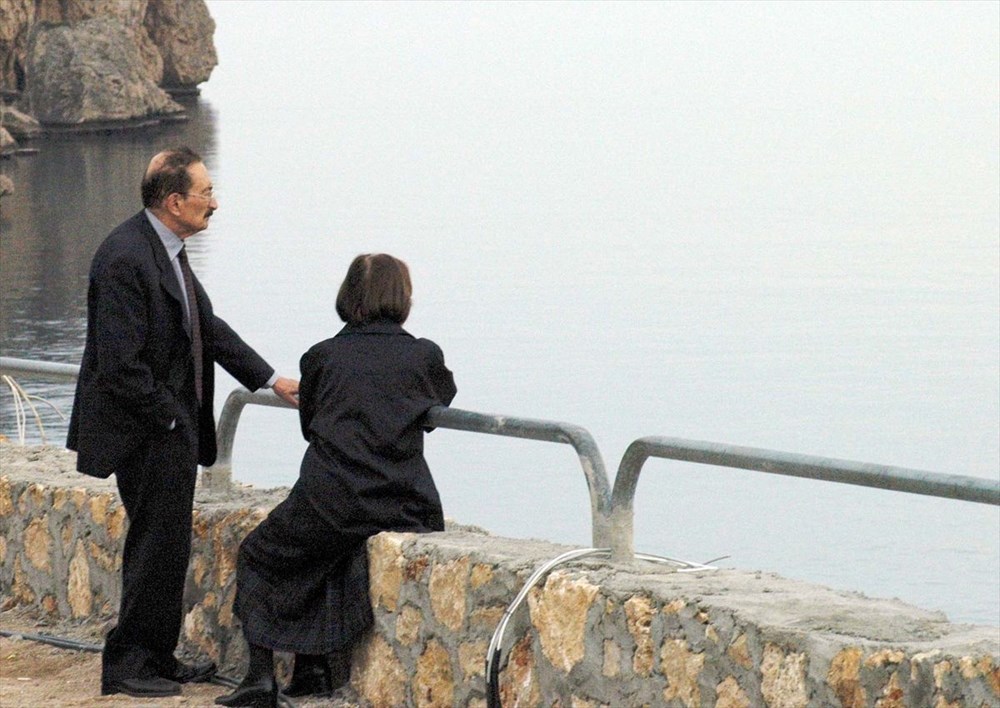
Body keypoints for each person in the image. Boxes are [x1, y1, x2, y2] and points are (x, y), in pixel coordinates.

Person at [66, 146, 300, 699]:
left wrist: (270, 379)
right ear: (175, 202)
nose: (214, 203)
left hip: (165, 432)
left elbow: (206, 328)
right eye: (206, 193)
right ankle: (127, 665)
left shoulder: (165, 249)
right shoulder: (125, 257)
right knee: (153, 548)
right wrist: (172, 420)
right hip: (145, 434)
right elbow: (119, 365)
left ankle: (156, 656)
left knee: (167, 547)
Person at [215, 253, 457, 708]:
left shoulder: (321, 357)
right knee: (333, 556)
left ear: (349, 296)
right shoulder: (424, 355)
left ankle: (261, 677)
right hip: (402, 501)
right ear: (401, 298)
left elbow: (311, 427)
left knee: (260, 554)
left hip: (331, 499)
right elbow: (440, 399)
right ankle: (313, 670)